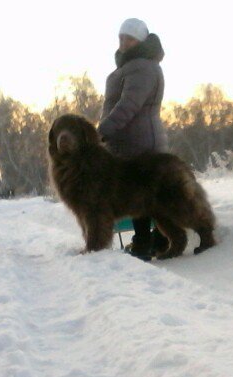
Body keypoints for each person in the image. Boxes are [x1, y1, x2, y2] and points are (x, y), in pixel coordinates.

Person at [98, 18, 169, 260]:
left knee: (140, 195)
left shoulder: (142, 67)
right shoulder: (132, 66)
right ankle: (158, 240)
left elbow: (129, 105)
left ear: (140, 41)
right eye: (121, 37)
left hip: (140, 142)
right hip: (129, 141)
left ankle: (144, 244)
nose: (124, 42)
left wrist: (102, 131)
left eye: (130, 38)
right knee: (145, 195)